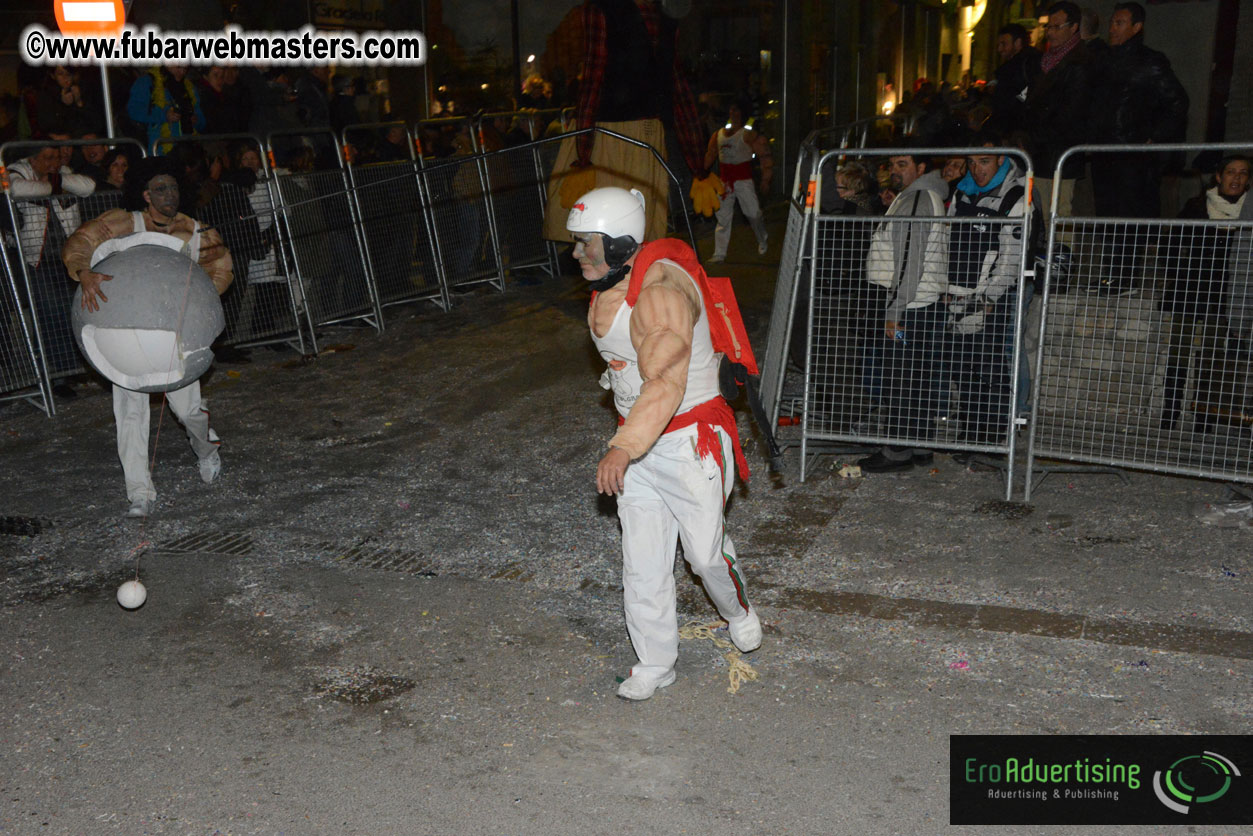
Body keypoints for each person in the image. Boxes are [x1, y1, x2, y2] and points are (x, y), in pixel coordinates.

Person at [569, 186, 761, 701]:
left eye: (586, 242)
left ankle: (736, 608)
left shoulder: (660, 293)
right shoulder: (613, 282)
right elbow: (626, 366)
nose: (577, 253)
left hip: (689, 441)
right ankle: (655, 662)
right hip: (641, 444)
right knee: (643, 560)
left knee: (703, 555)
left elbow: (665, 384)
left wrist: (623, 446)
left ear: (620, 242)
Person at [60, 156, 233, 518]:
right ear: (145, 194)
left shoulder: (195, 231)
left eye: (172, 187)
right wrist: (84, 272)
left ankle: (207, 451)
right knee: (131, 414)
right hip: (128, 336)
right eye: (159, 188)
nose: (168, 195)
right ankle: (139, 491)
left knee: (188, 412)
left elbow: (222, 268)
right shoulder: (121, 223)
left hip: (176, 340)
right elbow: (78, 243)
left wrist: (201, 305)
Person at [543, 0, 707, 245]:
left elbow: (593, 76)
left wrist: (583, 156)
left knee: (602, 232)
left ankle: (618, 279)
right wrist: (699, 167)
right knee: (638, 231)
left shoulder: (602, 8)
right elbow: (678, 86)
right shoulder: (665, 12)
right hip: (647, 133)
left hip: (609, 133)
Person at [855, 149, 949, 473]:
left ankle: (896, 452)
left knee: (900, 378)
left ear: (921, 167)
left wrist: (894, 312)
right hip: (920, 304)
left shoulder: (917, 200)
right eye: (892, 164)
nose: (894, 170)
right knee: (918, 378)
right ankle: (920, 447)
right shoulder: (919, 196)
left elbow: (909, 262)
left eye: (902, 164)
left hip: (909, 306)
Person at [1087, 1, 1188, 296]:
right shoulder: (1104, 60)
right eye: (1111, 22)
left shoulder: (1150, 61)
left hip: (1132, 155)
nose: (1112, 28)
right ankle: (1111, 276)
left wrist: (1153, 137)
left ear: (1136, 27)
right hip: (1105, 151)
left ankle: (1126, 279)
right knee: (1108, 215)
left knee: (1128, 215)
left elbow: (1178, 102)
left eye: (1119, 23)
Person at [945, 137, 1040, 448]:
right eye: (971, 162)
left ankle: (995, 431)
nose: (976, 168)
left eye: (983, 161)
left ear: (1000, 160)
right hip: (958, 291)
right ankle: (971, 427)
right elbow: (945, 238)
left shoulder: (1015, 193)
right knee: (961, 362)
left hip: (993, 297)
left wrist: (988, 299)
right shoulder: (962, 191)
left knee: (992, 364)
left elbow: (1011, 256)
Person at [1159, 155, 1251, 433]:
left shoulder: (1249, 212)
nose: (1237, 178)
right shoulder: (1197, 206)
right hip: (1190, 292)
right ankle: (1170, 414)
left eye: (1243, 173)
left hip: (1226, 297)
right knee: (1179, 355)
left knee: (1212, 357)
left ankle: (1205, 418)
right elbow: (1170, 246)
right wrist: (1184, 271)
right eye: (1231, 172)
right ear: (1219, 177)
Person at [8, 142, 97, 395]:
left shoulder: (63, 172)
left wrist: (57, 179)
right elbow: (18, 188)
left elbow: (88, 187)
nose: (53, 163)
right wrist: (55, 185)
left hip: (69, 258)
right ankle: (59, 376)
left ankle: (76, 369)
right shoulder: (18, 171)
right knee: (50, 316)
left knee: (75, 312)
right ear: (32, 160)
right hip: (37, 260)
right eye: (47, 158)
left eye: (56, 157)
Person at [1023, 2, 1094, 229]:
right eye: (1048, 27)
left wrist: (1036, 135)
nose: (1050, 32)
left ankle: (1060, 262)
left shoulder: (1080, 64)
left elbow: (1072, 113)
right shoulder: (1045, 61)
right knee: (1040, 214)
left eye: (1057, 27)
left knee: (1058, 216)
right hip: (1041, 151)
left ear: (1073, 27)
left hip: (1060, 153)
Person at [703, 101, 772, 263]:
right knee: (723, 217)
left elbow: (765, 155)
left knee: (753, 214)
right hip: (725, 182)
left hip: (743, 180)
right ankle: (719, 253)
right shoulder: (718, 135)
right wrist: (700, 174)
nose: (734, 114)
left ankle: (762, 238)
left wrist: (766, 179)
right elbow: (710, 154)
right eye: (732, 110)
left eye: (737, 111)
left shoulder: (747, 135)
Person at [127, 65, 206, 151]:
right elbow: (134, 111)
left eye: (185, 69)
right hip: (158, 150)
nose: (182, 72)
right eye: (178, 67)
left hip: (188, 150)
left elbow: (202, 121)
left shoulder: (189, 87)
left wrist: (196, 120)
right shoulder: (147, 82)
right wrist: (164, 115)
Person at [988, 24, 1040, 137]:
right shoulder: (1013, 66)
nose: (999, 49)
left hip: (1016, 129)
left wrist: (1014, 107)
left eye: (1004, 44)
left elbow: (1026, 92)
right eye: (998, 44)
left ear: (1017, 43)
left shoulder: (1027, 65)